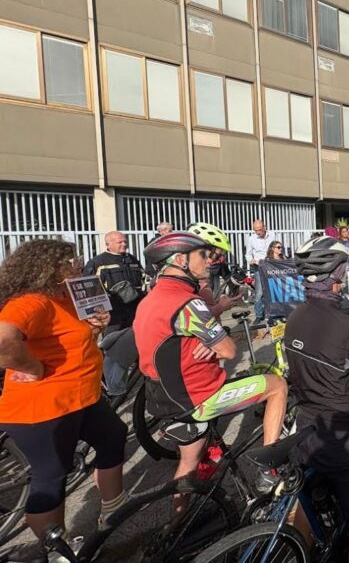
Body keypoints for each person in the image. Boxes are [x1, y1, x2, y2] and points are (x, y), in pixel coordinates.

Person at [134, 232, 288, 490]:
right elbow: (228, 351)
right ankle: (268, 469)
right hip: (198, 397)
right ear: (181, 260)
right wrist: (214, 341)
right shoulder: (188, 303)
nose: (210, 261)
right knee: (278, 386)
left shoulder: (152, 298)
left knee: (188, 464)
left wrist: (209, 331)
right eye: (203, 255)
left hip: (163, 397)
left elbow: (174, 337)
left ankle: (177, 526)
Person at [0, 240, 128, 542]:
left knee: (113, 436)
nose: (79, 263)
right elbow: (4, 343)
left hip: (81, 398)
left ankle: (112, 510)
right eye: (71, 260)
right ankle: (57, 546)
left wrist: (95, 328)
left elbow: (71, 339)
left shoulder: (65, 295)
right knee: (51, 479)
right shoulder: (33, 301)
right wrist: (34, 368)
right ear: (48, 267)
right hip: (46, 408)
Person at [284, 236, 349, 563]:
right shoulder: (348, 325)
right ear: (338, 274)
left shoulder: (294, 317)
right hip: (347, 441)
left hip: (306, 431)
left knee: (308, 506)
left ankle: (300, 553)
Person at [83, 230, 146, 336]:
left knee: (133, 339)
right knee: (112, 341)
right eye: (120, 242)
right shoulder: (97, 262)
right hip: (113, 313)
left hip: (134, 310)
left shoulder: (132, 259)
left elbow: (143, 279)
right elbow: (90, 289)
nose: (124, 244)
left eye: (125, 241)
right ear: (108, 244)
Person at [187, 222, 241, 321]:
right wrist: (221, 307)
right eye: (215, 255)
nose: (211, 261)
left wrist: (220, 305)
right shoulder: (184, 287)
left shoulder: (199, 283)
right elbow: (199, 320)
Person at [245, 220, 274, 324]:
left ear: (264, 227)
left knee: (271, 292)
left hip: (271, 267)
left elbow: (278, 248)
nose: (258, 232)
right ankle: (259, 315)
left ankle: (271, 315)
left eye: (260, 230)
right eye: (255, 230)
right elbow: (248, 254)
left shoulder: (273, 235)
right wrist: (251, 260)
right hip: (259, 267)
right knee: (259, 293)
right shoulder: (251, 239)